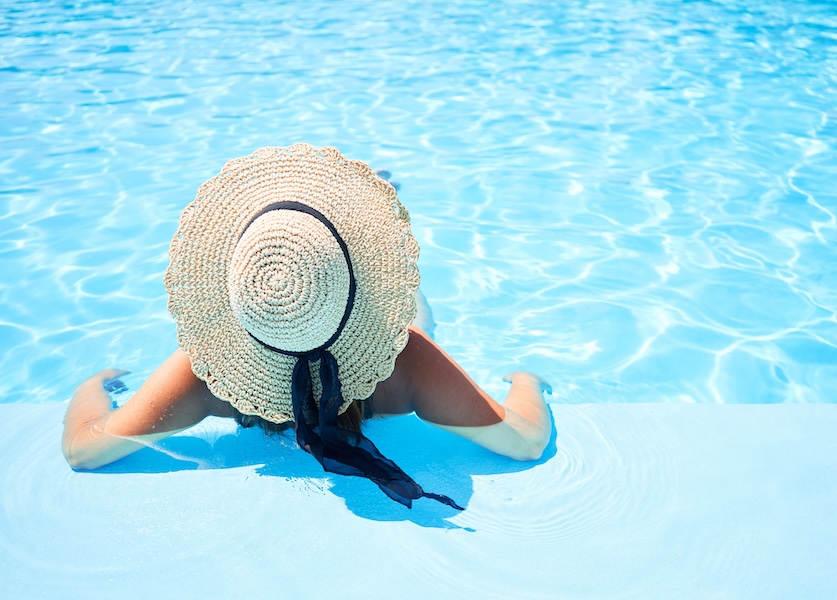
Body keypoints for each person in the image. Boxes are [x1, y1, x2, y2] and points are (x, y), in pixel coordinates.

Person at [62, 144, 552, 509]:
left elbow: (83, 450)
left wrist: (93, 386)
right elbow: (526, 440)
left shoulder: (201, 373)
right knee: (417, 312)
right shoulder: (409, 358)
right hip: (395, 349)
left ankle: (378, 201)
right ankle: (380, 204)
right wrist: (527, 382)